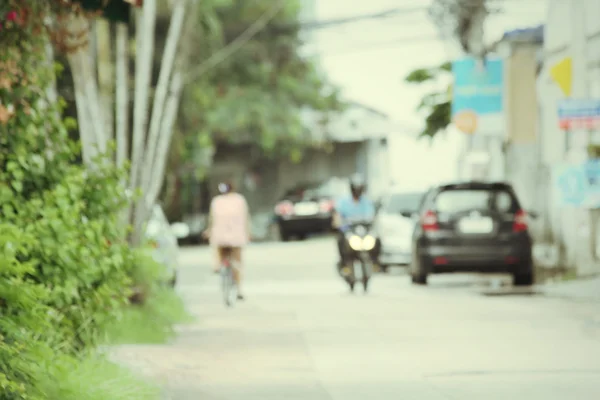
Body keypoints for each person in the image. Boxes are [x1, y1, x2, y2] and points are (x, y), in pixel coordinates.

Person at [204, 180, 251, 300]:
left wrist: (209, 231)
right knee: (237, 263)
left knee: (219, 252)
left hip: (220, 236)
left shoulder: (216, 201)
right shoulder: (240, 200)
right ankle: (239, 290)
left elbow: (212, 219)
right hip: (237, 236)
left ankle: (218, 265)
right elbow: (246, 218)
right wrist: (248, 233)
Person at [332, 173, 377, 268]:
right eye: (356, 188)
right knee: (340, 240)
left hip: (362, 229)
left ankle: (375, 262)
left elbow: (371, 214)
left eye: (359, 188)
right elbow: (337, 214)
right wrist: (338, 223)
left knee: (376, 239)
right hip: (348, 230)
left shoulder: (366, 201)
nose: (358, 191)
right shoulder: (344, 201)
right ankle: (344, 264)